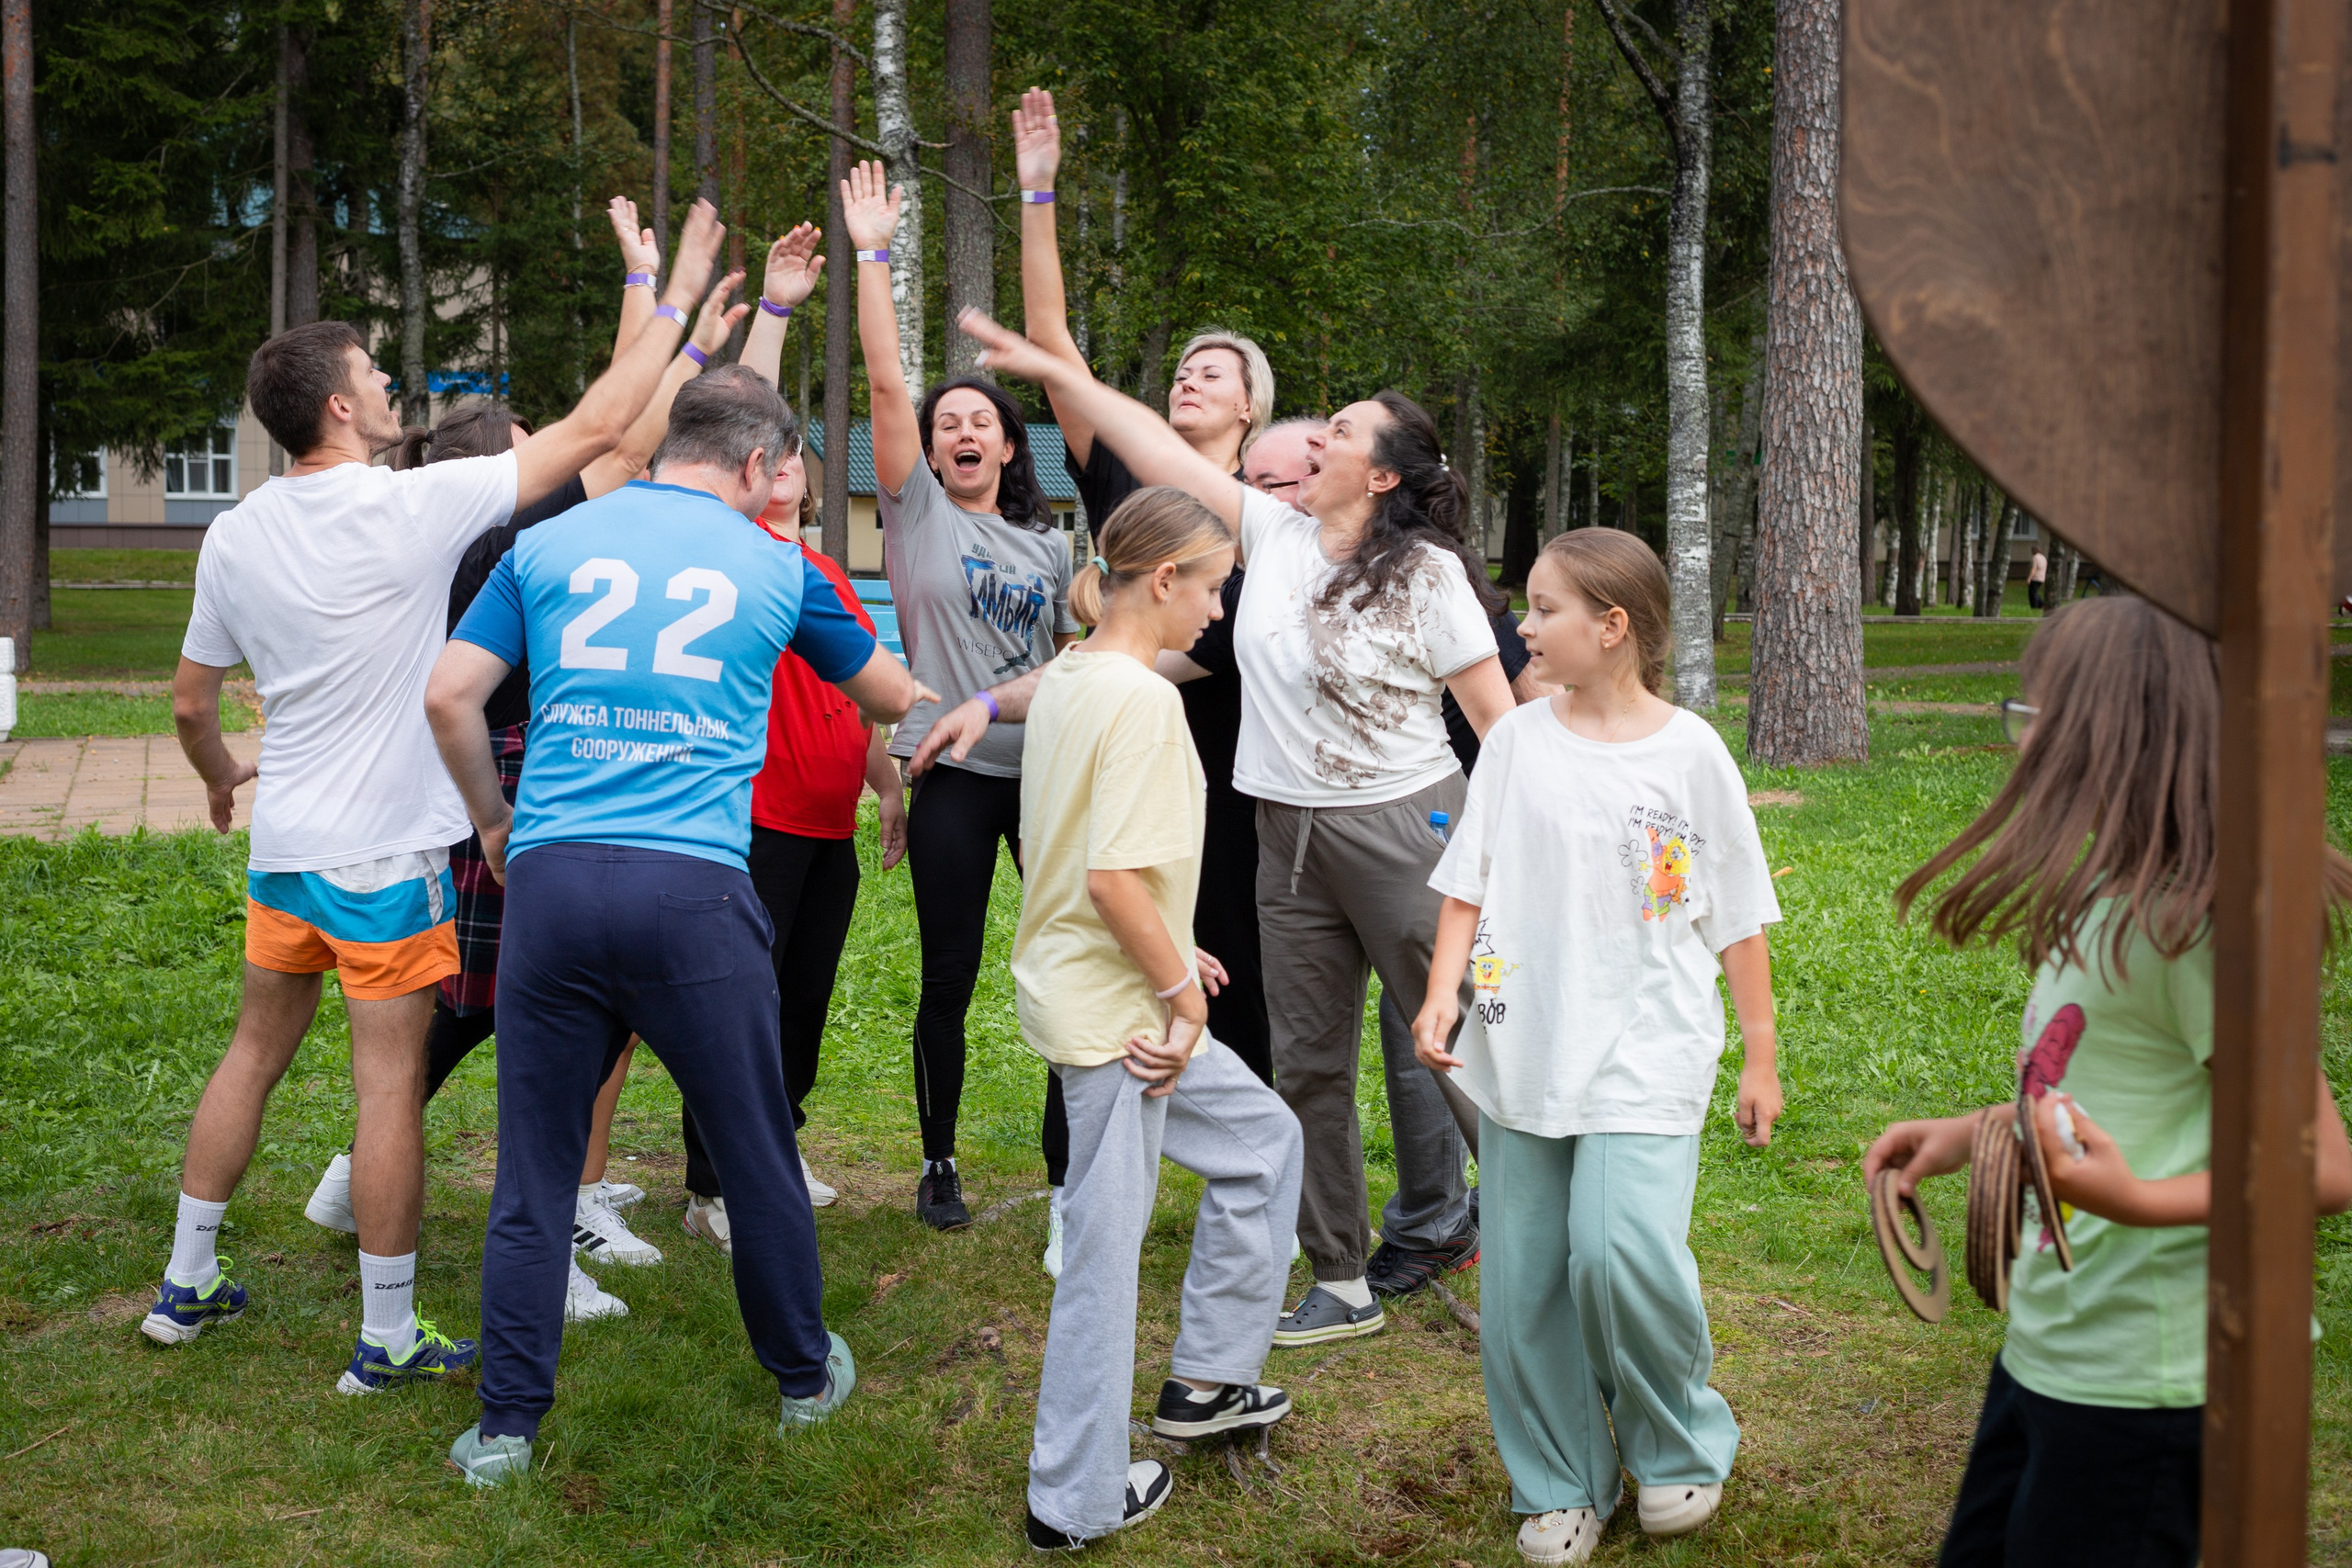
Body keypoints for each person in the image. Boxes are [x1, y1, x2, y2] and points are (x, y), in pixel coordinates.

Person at [144, 201, 730, 1392]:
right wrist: (676, 295)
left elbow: (194, 703)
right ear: (341, 407)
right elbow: (607, 425)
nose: (388, 383)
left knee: (253, 1052)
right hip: (381, 857)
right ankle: (389, 1334)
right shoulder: (410, 502)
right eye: (370, 370)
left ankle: (184, 1282)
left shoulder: (233, 533)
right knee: (387, 1082)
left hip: (284, 848)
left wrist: (217, 783)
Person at [956, 308, 1515, 1348]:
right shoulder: (1275, 536)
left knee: (1457, 1050)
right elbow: (1155, 447)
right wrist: (1055, 372)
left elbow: (1502, 728)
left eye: (1341, 433)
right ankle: (1340, 1277)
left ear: (1382, 476)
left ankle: (1542, 1248)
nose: (1319, 443)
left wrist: (1507, 854)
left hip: (1404, 830)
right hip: (1286, 838)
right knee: (1306, 1065)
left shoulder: (1430, 576)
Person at [426, 364, 928, 1485]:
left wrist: (495, 824)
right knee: (754, 1146)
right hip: (695, 888)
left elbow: (450, 697)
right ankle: (803, 1378)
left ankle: (505, 1427)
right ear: (758, 464)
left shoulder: (549, 544)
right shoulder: (775, 562)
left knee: (534, 1170)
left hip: (552, 883)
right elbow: (891, 697)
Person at [300, 200, 746, 1315]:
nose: (546, 459)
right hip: (503, 775)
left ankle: (362, 1174)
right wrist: (664, 294)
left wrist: (656, 297)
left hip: (468, 773)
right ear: (501, 470)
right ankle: (540, 1243)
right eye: (527, 453)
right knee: (545, 1021)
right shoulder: (502, 527)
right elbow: (625, 436)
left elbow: (615, 429)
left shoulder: (440, 521)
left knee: (488, 1006)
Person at [1864, 595, 2352, 1568]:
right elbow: (2092, 1090)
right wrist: (1974, 1133)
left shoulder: (2198, 934)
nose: (2019, 740)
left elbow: (2328, 1170)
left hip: (2160, 1381)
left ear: (2109, 741)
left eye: (2034, 717)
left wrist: (2135, 1200)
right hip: (2058, 1350)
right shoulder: (2100, 905)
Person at [1412, 528, 1783, 1562]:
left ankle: (1677, 1446)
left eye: (1542, 608)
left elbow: (1739, 914)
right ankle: (1560, 1478)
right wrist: (1441, 995)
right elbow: (1467, 879)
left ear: (1611, 627)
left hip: (1648, 1043)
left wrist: (1760, 1056)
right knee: (1526, 1276)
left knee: (1618, 1255)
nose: (1521, 627)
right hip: (1521, 1042)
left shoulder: (1690, 752)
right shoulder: (1520, 742)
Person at [1013, 486, 1303, 1551]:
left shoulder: (1075, 674)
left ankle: (1210, 1383)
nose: (1219, 611)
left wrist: (1176, 950)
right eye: (1216, 587)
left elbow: (1105, 860)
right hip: (1121, 1025)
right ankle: (1072, 1500)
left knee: (1266, 1144)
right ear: (1166, 579)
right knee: (1102, 1247)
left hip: (1106, 986)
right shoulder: (1138, 699)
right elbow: (1111, 877)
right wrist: (1179, 999)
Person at [841, 159, 1080, 1232]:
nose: (963, 430)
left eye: (981, 418)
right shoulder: (917, 518)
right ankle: (938, 1164)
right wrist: (874, 256)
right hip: (949, 774)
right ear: (931, 451)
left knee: (1070, 963)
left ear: (1008, 444)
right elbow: (888, 384)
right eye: (948, 424)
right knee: (948, 978)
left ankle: (1066, 1167)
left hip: (1047, 777)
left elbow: (1082, 657)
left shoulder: (1050, 541)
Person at [676, 221, 910, 1253]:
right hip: (752, 824)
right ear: (742, 473)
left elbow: (861, 699)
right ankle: (710, 1181)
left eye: (794, 464)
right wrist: (772, 313)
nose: (779, 473)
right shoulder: (732, 554)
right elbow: (735, 415)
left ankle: (776, 1141)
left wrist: (888, 787)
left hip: (827, 826)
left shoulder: (824, 575)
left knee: (801, 1005)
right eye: (762, 463)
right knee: (740, 1007)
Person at [2026, 547, 2048, 611]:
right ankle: (2041, 604)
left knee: (2032, 593)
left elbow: (2034, 568)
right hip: (2042, 577)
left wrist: (2029, 578)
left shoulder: (2035, 557)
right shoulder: (2043, 557)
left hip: (2035, 577)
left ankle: (2035, 606)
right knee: (2035, 592)